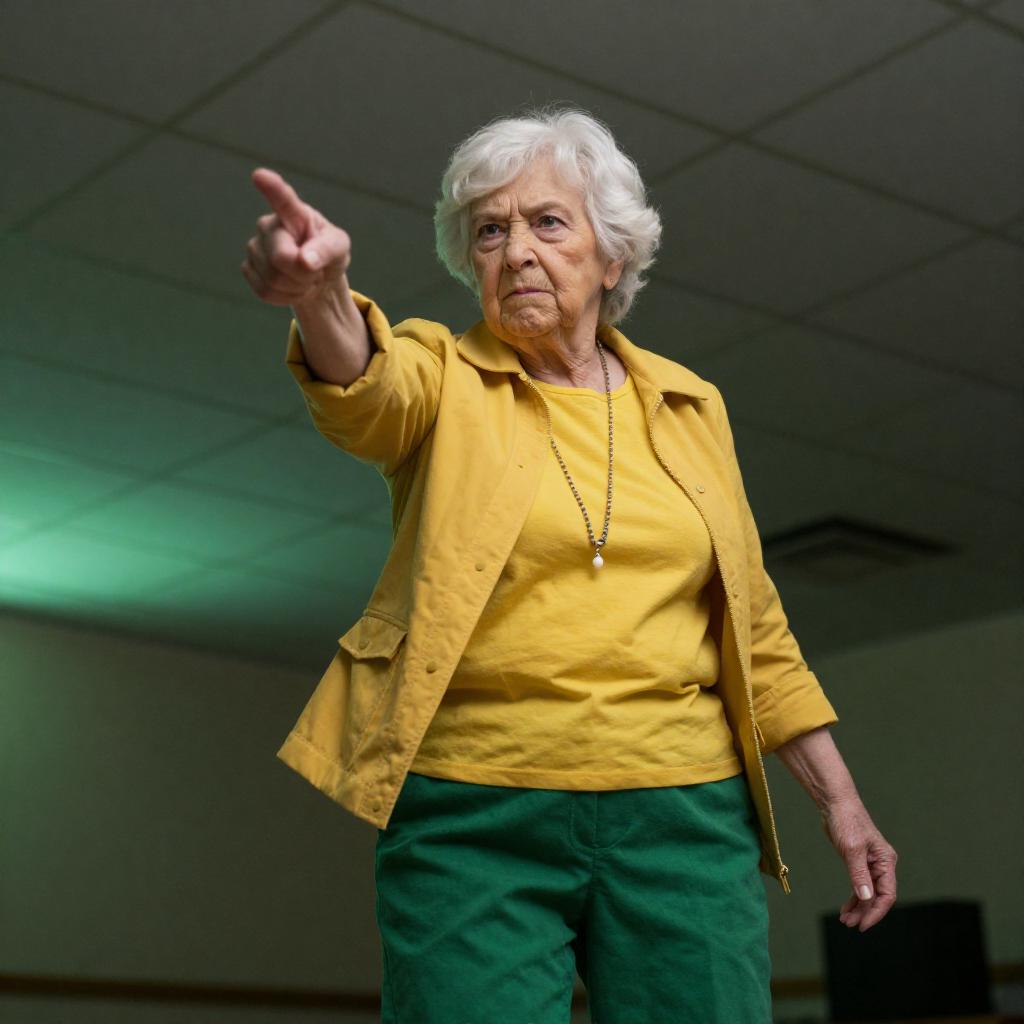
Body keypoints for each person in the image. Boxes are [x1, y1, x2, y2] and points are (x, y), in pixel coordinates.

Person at [241, 105, 898, 1023]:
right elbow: (364, 387)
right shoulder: (443, 376)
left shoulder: (691, 406)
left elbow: (756, 629)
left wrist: (842, 803)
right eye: (490, 232)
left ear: (612, 256)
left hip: (684, 814)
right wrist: (321, 293)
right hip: (473, 812)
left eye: (548, 222)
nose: (516, 251)